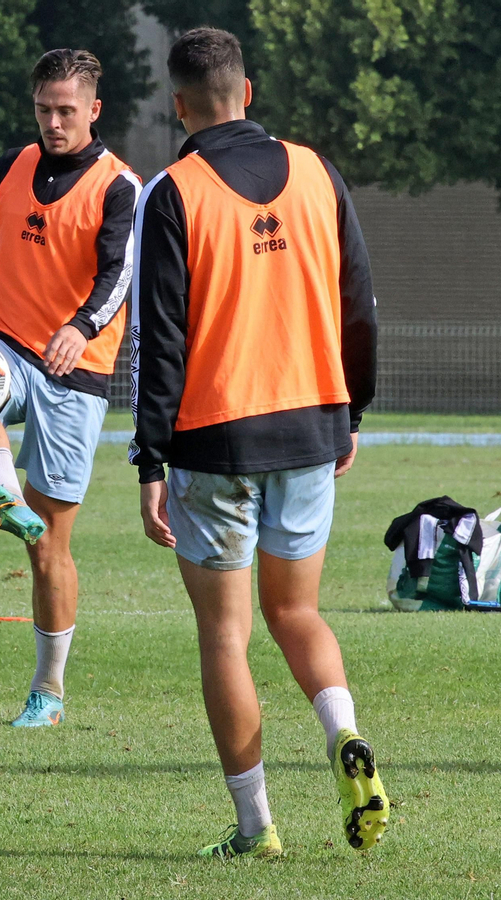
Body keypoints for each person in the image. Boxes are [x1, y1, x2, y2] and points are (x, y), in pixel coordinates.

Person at [130, 27, 385, 856]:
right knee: (298, 611)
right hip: (314, 422)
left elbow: (161, 340)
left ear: (178, 105)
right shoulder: (316, 171)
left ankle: (255, 827)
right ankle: (345, 733)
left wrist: (149, 457)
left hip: (216, 439)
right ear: (250, 90)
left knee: (225, 636)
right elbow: (360, 305)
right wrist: (354, 411)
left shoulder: (174, 191)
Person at [0, 48, 140, 729]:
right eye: (43, 109)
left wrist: (80, 326)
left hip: (75, 372)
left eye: (67, 110)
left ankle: (48, 689)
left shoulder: (121, 187)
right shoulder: (12, 164)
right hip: (8, 344)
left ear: (94, 109)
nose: (54, 122)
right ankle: (0, 490)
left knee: (48, 548)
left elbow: (121, 275)